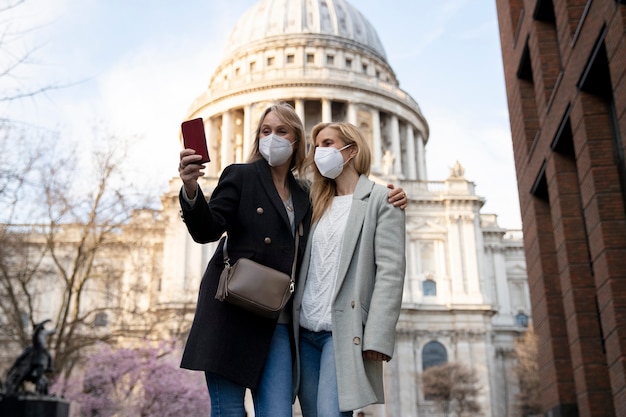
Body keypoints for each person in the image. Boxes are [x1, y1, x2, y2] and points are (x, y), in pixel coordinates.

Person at [177, 103, 407, 417]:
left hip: (282, 319)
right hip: (235, 311)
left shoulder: (307, 194)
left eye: (282, 131)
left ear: (297, 140)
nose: (273, 138)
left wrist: (391, 195)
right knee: (230, 409)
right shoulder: (247, 178)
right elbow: (208, 230)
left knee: (279, 411)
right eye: (265, 131)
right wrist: (191, 188)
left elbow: (377, 257)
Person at [293, 122, 406, 416]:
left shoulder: (382, 199)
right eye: (316, 146)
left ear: (351, 150)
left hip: (342, 331)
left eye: (328, 143)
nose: (319, 152)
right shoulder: (313, 201)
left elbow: (390, 273)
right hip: (304, 332)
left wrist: (378, 337)